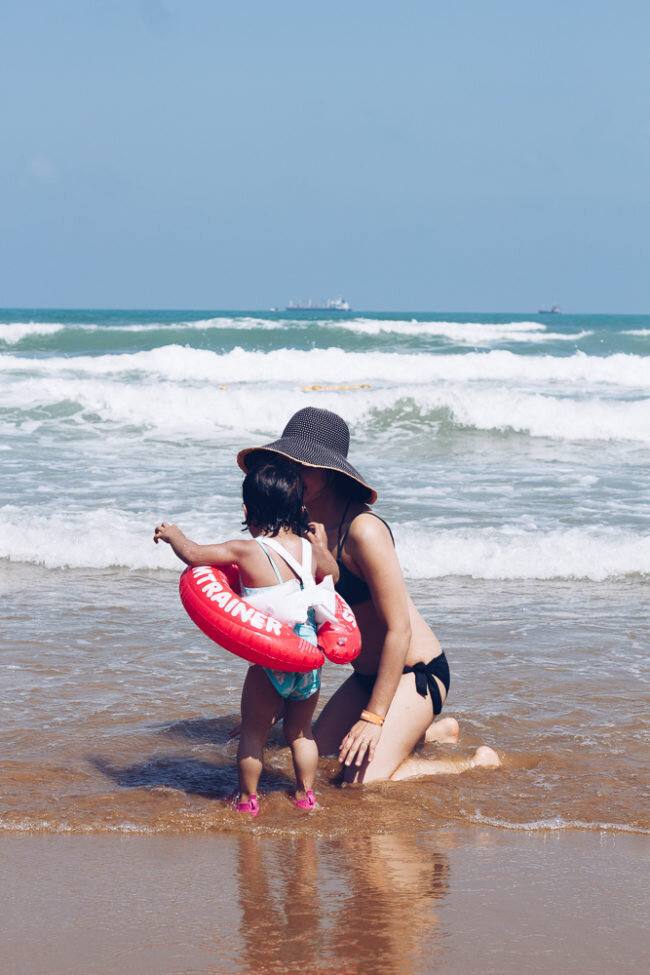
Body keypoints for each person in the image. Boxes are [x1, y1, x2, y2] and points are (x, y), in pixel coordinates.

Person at [237, 407, 500, 783]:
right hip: (365, 678)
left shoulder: (363, 531)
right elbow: (301, 622)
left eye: (304, 466)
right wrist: (272, 702)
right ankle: (431, 734)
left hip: (415, 674)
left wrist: (373, 718)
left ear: (331, 472)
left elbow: (399, 629)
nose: (293, 474)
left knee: (357, 784)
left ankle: (474, 763)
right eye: (286, 464)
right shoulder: (296, 528)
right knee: (319, 759)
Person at [154, 455, 339, 814]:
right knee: (301, 732)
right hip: (308, 654)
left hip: (272, 657)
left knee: (254, 731)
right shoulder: (308, 549)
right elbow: (333, 575)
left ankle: (247, 799)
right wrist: (322, 545)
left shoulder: (246, 550)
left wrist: (173, 535)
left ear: (247, 510)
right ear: (298, 508)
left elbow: (194, 555)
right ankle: (305, 795)